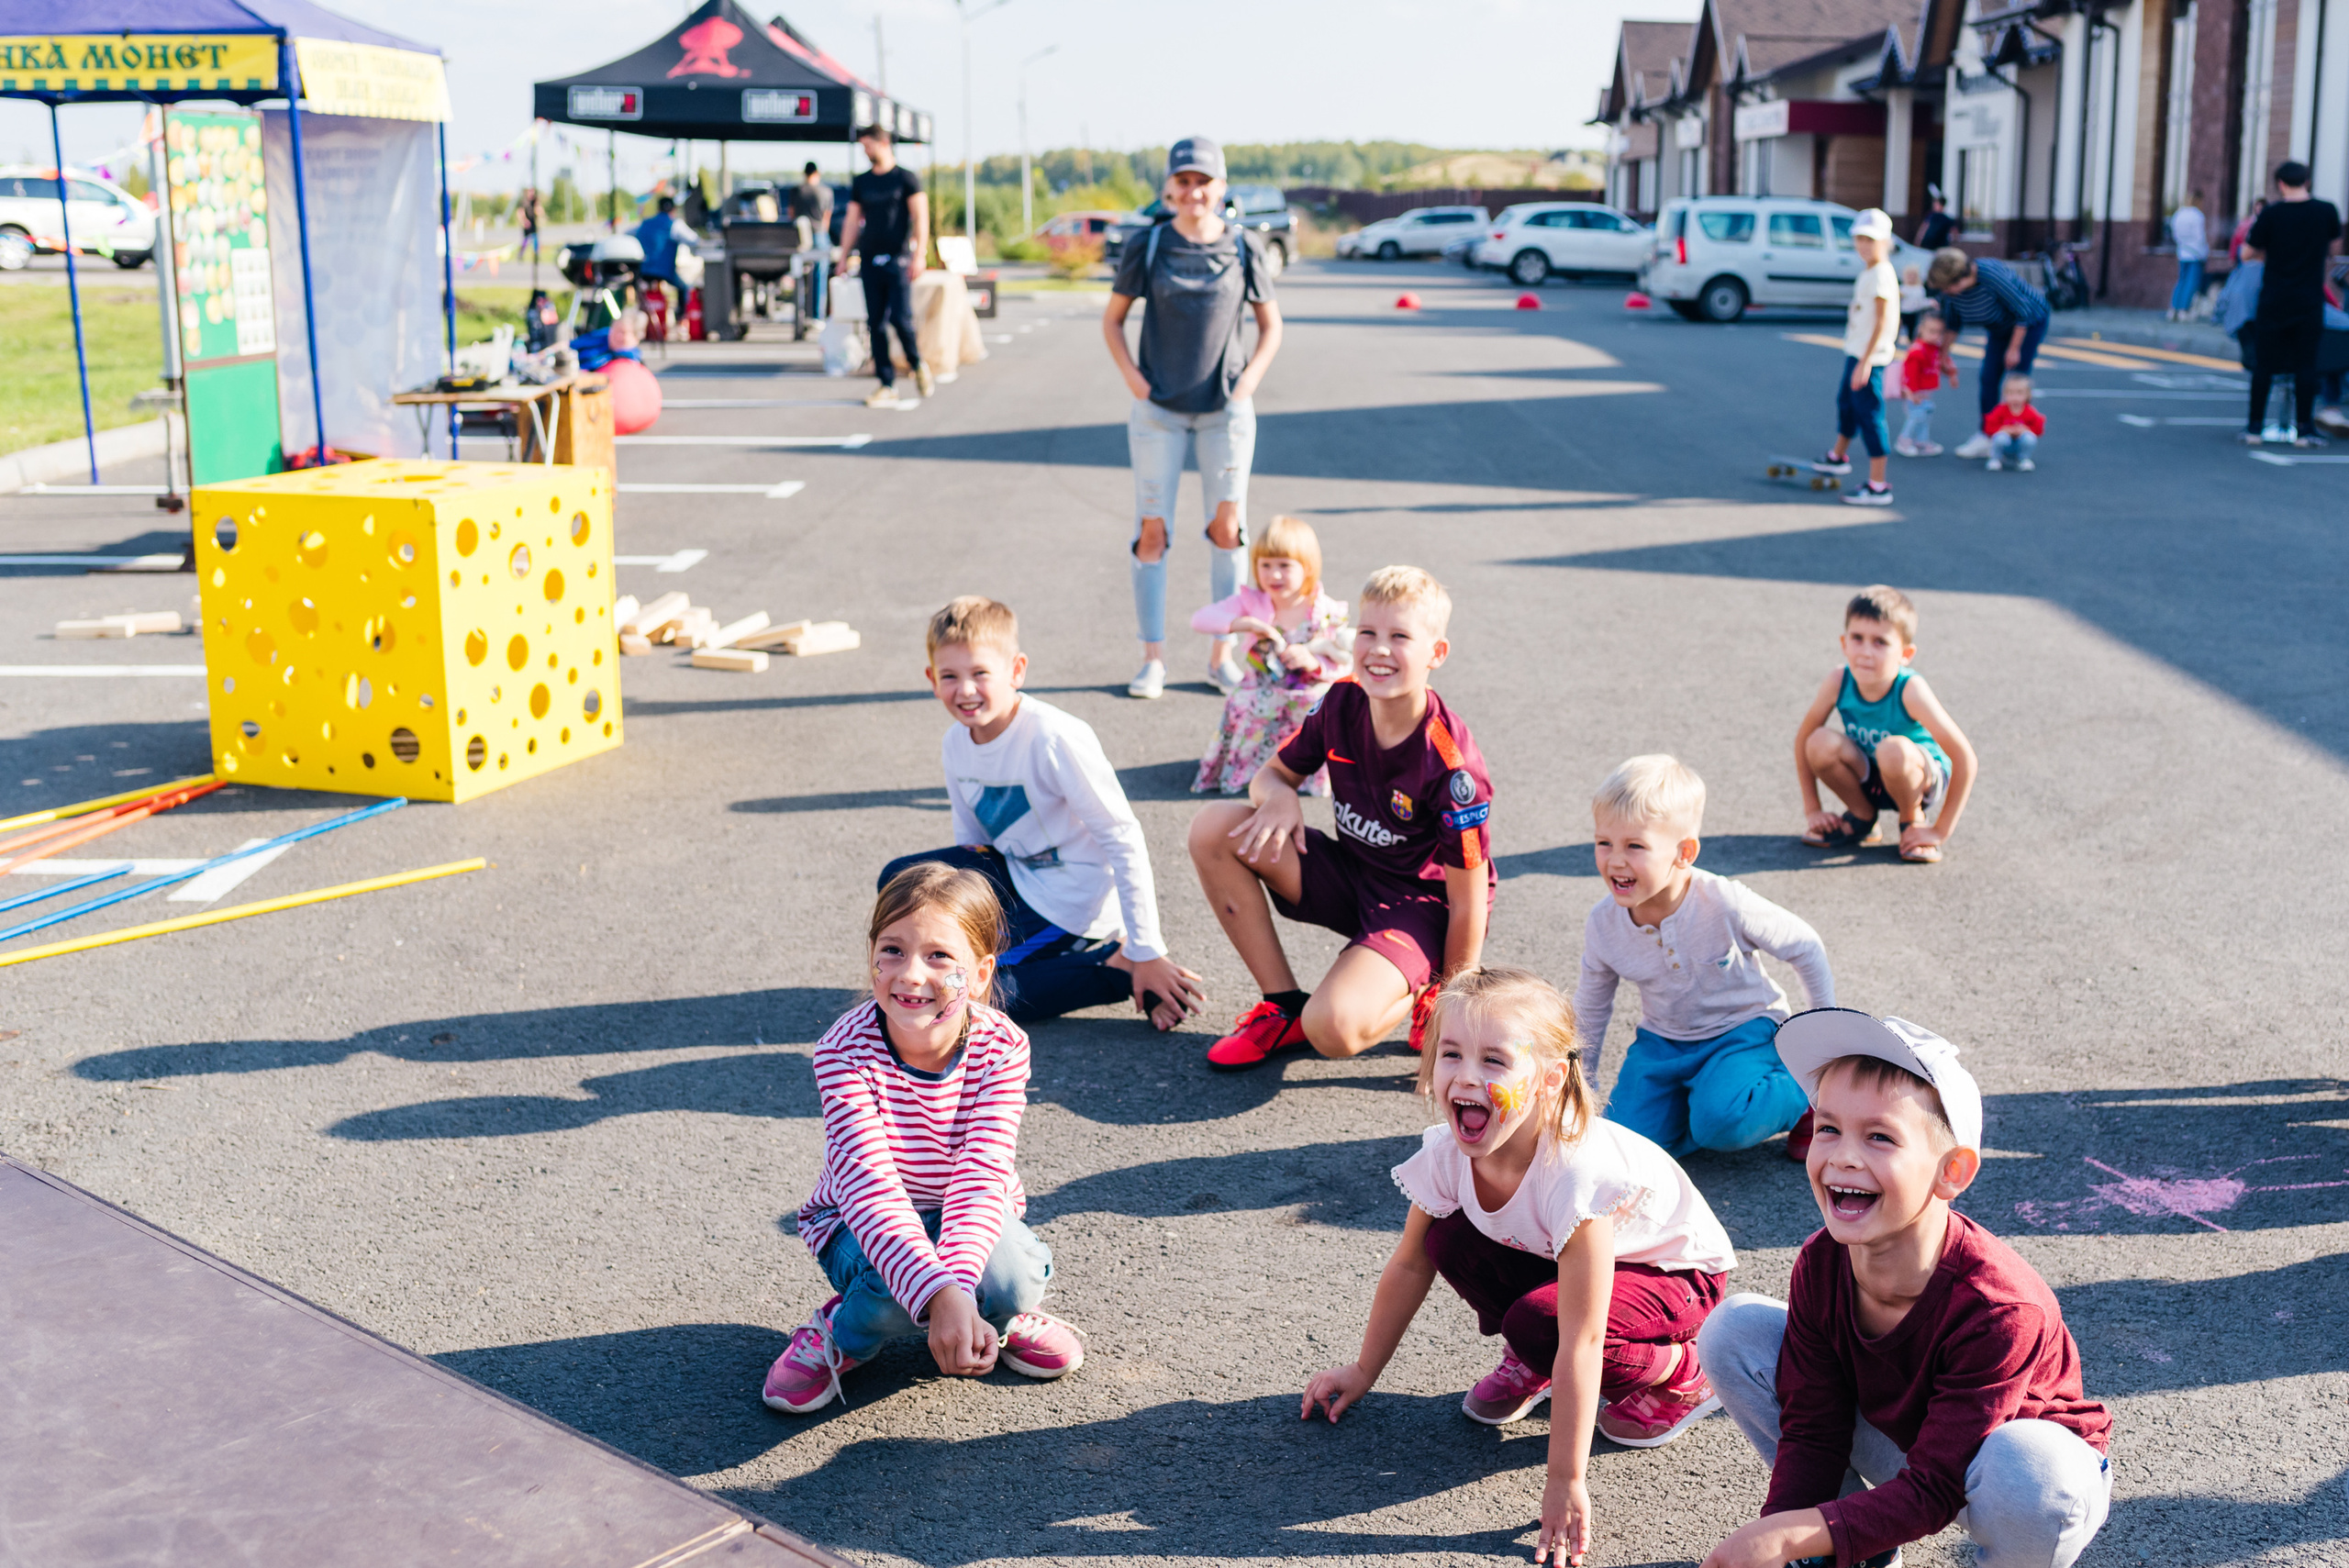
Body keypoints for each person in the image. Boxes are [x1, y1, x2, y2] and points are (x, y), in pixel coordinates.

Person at [1305, 969, 1738, 1568]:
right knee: (1447, 1239)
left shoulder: (1574, 1171)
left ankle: (1688, 1371)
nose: (1465, 1075)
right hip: (1566, 1262)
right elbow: (1409, 1264)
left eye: (1494, 1059)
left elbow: (1582, 1336)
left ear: (1548, 1079)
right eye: (1451, 1052)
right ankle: (1538, 1361)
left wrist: (1564, 1479)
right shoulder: (1447, 1152)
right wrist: (1361, 1369)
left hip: (1674, 1276)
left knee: (1547, 1324)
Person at [1697, 1009, 2112, 1568]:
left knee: (2032, 1466)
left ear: (1952, 1173)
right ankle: (1848, 1553)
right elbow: (1813, 1425)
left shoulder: (2000, 1307)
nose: (1843, 1154)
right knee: (1736, 1328)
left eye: (1879, 1136)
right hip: (1911, 1445)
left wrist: (1792, 1534)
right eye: (1828, 1127)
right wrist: (1783, 1531)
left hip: (2006, 1480)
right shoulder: (1823, 1261)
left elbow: (1940, 1484)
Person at [760, 862, 1087, 1414]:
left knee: (1014, 1278)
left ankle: (996, 1318)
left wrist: (955, 1287)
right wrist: (942, 1294)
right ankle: (841, 1333)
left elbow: (982, 1175)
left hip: (967, 1209)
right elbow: (870, 1191)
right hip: (856, 1223)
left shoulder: (1003, 1047)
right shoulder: (842, 1052)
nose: (910, 975)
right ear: (871, 956)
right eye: (892, 950)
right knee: (892, 1297)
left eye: (939, 955)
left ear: (981, 973)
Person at [1187, 565, 1491, 1072]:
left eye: (1400, 636)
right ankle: (1281, 1006)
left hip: (1419, 906)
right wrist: (1279, 794)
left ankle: (1425, 989)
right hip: (1352, 876)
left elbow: (1468, 901)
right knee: (1215, 828)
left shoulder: (1450, 763)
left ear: (1435, 654)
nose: (1378, 648)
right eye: (1368, 632)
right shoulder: (1342, 699)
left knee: (1331, 1028)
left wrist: (1454, 1008)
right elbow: (1270, 777)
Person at [886, 596, 1203, 1030]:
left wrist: (1148, 948)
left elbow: (1122, 836)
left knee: (978, 995)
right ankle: (981, 963)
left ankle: (1120, 968)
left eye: (980, 673)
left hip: (1074, 898)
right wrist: (956, 928)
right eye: (950, 676)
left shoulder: (1054, 737)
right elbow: (971, 843)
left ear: (1016, 670)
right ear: (931, 679)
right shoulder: (955, 743)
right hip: (1016, 873)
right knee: (901, 880)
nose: (965, 690)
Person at [1575, 755, 1830, 1163]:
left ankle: (1804, 1098)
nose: (1615, 860)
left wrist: (1822, 1048)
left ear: (1684, 852)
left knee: (1722, 1123)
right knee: (1624, 1147)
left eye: (1635, 846)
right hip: (1663, 1043)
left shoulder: (1723, 902)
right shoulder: (1604, 924)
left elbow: (1806, 946)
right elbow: (1591, 1006)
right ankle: (1694, 1110)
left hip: (1743, 1029)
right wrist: (1580, 1085)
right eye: (1604, 842)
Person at [1102, 136, 1285, 700]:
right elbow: (1113, 321)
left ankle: (1220, 656)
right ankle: (1152, 658)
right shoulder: (1149, 244)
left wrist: (1247, 383)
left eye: (1203, 182)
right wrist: (1134, 378)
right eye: (1183, 182)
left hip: (1224, 414)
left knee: (1227, 531)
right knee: (1151, 530)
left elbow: (1271, 326)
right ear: (1169, 188)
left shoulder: (1246, 247)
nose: (1193, 192)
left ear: (1220, 188)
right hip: (1158, 413)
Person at [1795, 584, 1978, 865]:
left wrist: (1940, 830)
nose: (1866, 651)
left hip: (1917, 778)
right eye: (1858, 638)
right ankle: (1862, 817)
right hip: (1871, 774)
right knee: (1818, 742)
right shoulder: (1838, 681)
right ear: (1844, 643)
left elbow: (1964, 757)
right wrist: (1813, 810)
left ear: (1906, 654)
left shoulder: (1910, 689)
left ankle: (1912, 821)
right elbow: (1803, 740)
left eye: (1880, 642)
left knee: (1893, 751)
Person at [1188, 514, 1353, 795]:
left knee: (1323, 705)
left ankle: (1309, 772)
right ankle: (1251, 768)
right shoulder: (1253, 602)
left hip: (1308, 689)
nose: (1273, 575)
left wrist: (1313, 662)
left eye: (1284, 566)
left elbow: (1343, 660)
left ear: (1307, 567)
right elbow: (1200, 619)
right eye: (1265, 565)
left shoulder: (1323, 610)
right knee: (1247, 701)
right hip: (1262, 686)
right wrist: (1241, 623)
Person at [2239, 160, 2343, 447]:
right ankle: (2305, 430)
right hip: (2309, 298)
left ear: (2280, 184)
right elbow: (2333, 246)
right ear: (2307, 181)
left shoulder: (2271, 214)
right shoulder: (2326, 211)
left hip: (2274, 298)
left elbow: (2247, 253)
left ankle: (2254, 428)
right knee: (2306, 365)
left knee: (2264, 364)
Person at [838, 123, 931, 408]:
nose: (866, 152)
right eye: (863, 147)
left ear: (883, 143)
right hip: (870, 258)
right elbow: (853, 220)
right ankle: (886, 383)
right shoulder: (862, 182)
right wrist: (843, 256)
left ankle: (917, 363)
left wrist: (920, 253)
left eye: (869, 146)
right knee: (875, 322)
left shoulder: (905, 179)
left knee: (900, 318)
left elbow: (920, 216)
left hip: (898, 257)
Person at [1813, 208, 1901, 507]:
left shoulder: (1880, 274)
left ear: (1885, 241)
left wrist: (1865, 362)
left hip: (1869, 358)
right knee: (1847, 406)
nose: (1864, 245)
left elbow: (1881, 321)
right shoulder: (1870, 270)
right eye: (1860, 239)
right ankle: (1837, 457)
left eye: (1870, 240)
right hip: (1857, 352)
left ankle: (1878, 485)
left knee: (1871, 417)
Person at [1925, 247, 2051, 457]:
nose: (1944, 293)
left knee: (2016, 380)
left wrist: (2014, 349)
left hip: (2028, 324)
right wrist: (1942, 356)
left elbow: (2023, 311)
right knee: (1988, 377)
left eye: (1947, 288)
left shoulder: (1990, 275)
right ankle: (1988, 435)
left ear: (1960, 279)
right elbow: (1953, 324)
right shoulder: (1952, 295)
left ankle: (2019, 437)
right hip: (1998, 327)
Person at [1893, 313, 1956, 457]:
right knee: (1916, 416)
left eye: (1939, 332)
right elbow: (1910, 374)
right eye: (1932, 331)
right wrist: (1911, 393)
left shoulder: (1933, 348)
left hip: (1926, 392)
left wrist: (1952, 374)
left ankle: (1921, 441)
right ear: (1921, 330)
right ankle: (1904, 440)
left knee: (1924, 417)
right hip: (1916, 393)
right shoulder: (1917, 351)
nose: (1936, 336)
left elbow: (1942, 363)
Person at [631, 195, 697, 320]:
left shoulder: (645, 223)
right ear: (673, 210)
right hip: (665, 271)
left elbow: (627, 234)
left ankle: (642, 321)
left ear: (658, 209)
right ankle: (681, 319)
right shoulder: (674, 224)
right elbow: (694, 240)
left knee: (642, 294)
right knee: (686, 287)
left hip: (643, 271)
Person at [1982, 373, 2045, 471]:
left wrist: (2026, 429)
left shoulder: (2029, 411)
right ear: (2005, 394)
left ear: (2027, 395)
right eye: (2011, 393)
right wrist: (2003, 429)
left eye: (2019, 393)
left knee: (2029, 438)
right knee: (2000, 438)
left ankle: (2023, 459)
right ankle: (1995, 458)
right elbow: (1988, 428)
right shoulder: (2000, 410)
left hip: (2019, 443)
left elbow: (2038, 429)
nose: (2015, 397)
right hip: (2005, 444)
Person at [2167, 190, 2208, 320]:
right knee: (2191, 282)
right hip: (2196, 253)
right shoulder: (2197, 215)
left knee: (2182, 280)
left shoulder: (2179, 214)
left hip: (2182, 251)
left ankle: (2173, 308)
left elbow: (2174, 233)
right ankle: (2184, 310)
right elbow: (2200, 237)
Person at [1913, 186, 1954, 251]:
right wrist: (1918, 241)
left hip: (1939, 246)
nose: (1934, 205)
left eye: (1936, 203)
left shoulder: (1946, 219)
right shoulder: (1931, 216)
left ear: (1941, 205)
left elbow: (1953, 234)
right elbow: (1923, 230)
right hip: (1929, 245)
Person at [1897, 262, 1928, 345]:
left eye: (1913, 275)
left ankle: (1912, 346)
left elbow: (1921, 302)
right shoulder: (1903, 288)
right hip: (1902, 312)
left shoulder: (1919, 289)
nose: (1911, 278)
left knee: (1912, 332)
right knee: (1896, 329)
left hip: (1914, 313)